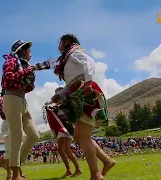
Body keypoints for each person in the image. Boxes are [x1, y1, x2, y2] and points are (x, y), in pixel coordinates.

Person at [51, 34, 116, 180]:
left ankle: (96, 174)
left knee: (82, 136)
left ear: (67, 41)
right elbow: (71, 83)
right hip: (77, 93)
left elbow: (89, 62)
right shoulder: (68, 58)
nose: (59, 44)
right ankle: (106, 161)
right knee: (80, 136)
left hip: (85, 93)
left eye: (60, 41)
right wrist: (60, 94)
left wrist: (88, 82)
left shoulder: (74, 52)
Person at [1, 40, 40, 180]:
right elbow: (7, 79)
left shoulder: (24, 65)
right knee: (17, 136)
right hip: (11, 97)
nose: (31, 54)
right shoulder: (11, 61)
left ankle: (16, 164)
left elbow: (29, 87)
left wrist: (29, 79)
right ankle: (15, 174)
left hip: (22, 99)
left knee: (34, 135)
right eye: (29, 51)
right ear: (22, 51)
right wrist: (26, 72)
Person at [44, 87, 82, 178]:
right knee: (61, 150)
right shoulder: (56, 106)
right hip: (60, 127)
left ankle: (77, 169)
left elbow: (66, 107)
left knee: (66, 150)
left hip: (66, 126)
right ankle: (69, 170)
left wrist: (57, 104)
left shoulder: (67, 101)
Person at [0, 90, 26, 180]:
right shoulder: (4, 99)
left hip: (13, 122)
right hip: (9, 122)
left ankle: (16, 173)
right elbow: (7, 111)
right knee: (10, 150)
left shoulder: (8, 99)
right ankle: (10, 174)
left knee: (15, 149)